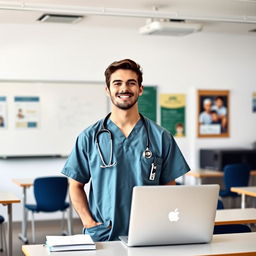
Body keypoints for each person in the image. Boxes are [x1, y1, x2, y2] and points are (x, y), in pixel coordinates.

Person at [61, 59, 190, 242]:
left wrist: (162, 221)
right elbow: (75, 185)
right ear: (107, 90)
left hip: (149, 232)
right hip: (104, 234)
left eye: (131, 83)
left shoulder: (161, 137)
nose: (124, 88)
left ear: (140, 89)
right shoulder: (89, 137)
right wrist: (88, 222)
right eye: (117, 83)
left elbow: (169, 186)